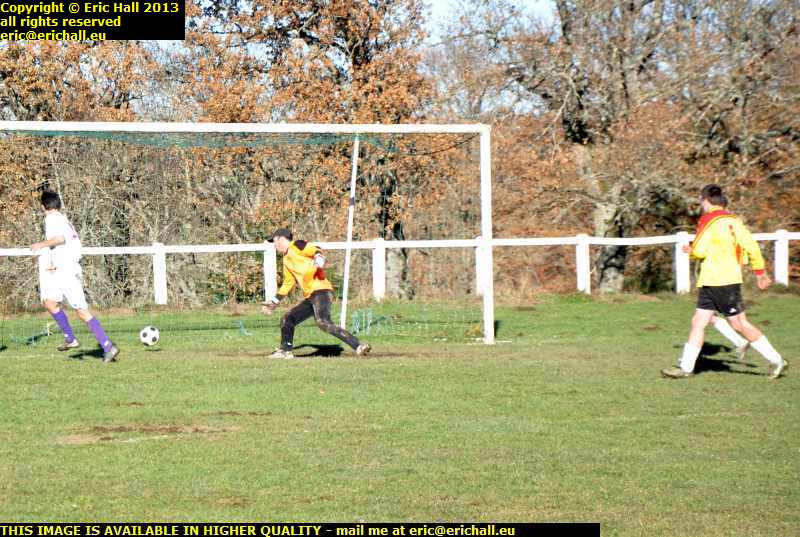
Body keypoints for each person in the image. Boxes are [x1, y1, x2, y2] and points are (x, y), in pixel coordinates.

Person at [661, 184, 787, 379]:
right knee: (698, 321)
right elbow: (751, 246)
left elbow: (700, 250)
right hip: (723, 279)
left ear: (705, 200)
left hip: (719, 280)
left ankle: (777, 360)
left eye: (701, 201)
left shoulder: (708, 220)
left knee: (739, 324)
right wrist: (760, 271)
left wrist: (691, 251)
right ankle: (685, 368)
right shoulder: (734, 221)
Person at [30, 191, 119, 363]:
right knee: (49, 301)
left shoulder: (51, 218)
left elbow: (60, 239)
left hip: (68, 272)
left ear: (43, 206)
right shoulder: (62, 219)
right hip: (61, 270)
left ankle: (108, 346)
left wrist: (40, 244)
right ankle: (70, 339)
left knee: (81, 311)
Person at [261, 228, 370, 359]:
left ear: (281, 239)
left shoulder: (296, 245)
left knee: (323, 322)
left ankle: (358, 346)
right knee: (287, 319)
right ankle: (285, 350)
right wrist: (274, 302)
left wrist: (318, 257)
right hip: (311, 296)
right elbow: (288, 282)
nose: (274, 245)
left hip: (321, 291)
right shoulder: (286, 259)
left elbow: (315, 248)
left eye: (274, 241)